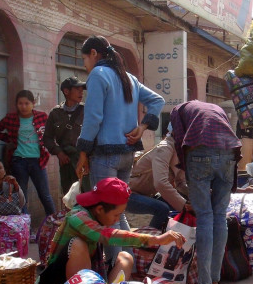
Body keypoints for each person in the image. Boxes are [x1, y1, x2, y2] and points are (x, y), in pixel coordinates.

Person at [36, 178, 185, 284]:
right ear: (100, 209)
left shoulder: (96, 215)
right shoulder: (77, 217)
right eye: (116, 215)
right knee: (78, 244)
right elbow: (107, 235)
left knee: (125, 258)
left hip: (89, 280)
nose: (116, 220)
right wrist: (155, 240)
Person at [74, 35, 165, 233]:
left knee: (108, 217)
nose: (85, 64)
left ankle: (118, 263)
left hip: (105, 156)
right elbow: (158, 101)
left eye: (84, 59)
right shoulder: (128, 77)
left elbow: (93, 118)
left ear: (93, 53)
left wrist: (82, 153)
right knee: (117, 212)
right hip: (127, 154)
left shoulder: (98, 74)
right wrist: (142, 128)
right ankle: (126, 260)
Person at [170, 100, 241, 284]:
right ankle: (215, 281)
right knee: (219, 216)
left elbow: (179, 140)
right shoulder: (216, 108)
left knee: (204, 217)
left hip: (199, 154)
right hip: (228, 153)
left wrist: (186, 170)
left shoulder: (178, 110)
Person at [0, 90, 55, 216]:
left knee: (45, 195)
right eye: (20, 104)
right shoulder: (11, 118)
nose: (24, 107)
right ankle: (25, 227)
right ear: (16, 104)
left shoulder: (42, 117)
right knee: (21, 197)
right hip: (19, 161)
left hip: (38, 161)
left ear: (33, 103)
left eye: (27, 103)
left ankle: (54, 225)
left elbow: (50, 134)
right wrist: (10, 139)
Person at [127, 127, 189, 231]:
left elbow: (180, 183)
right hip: (130, 195)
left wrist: (196, 198)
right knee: (162, 208)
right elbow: (160, 183)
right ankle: (147, 242)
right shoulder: (164, 148)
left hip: (148, 195)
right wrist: (184, 206)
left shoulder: (180, 152)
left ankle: (168, 240)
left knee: (178, 205)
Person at [43, 76, 88, 194]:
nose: (81, 92)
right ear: (66, 91)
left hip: (84, 161)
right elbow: (47, 138)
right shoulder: (55, 113)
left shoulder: (87, 110)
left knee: (86, 193)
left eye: (82, 89)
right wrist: (58, 152)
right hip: (66, 162)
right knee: (69, 195)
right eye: (77, 89)